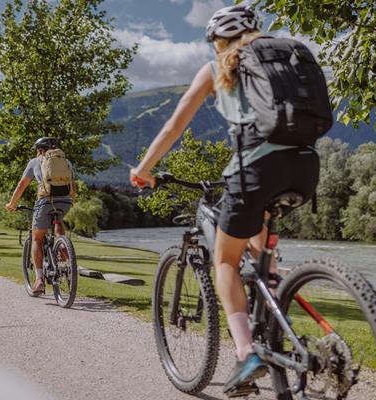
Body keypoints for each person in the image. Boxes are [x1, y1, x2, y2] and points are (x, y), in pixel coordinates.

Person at [129, 5, 320, 396]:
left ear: (219, 39)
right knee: (259, 253)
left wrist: (143, 168)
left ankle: (248, 352)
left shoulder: (218, 67)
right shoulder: (291, 55)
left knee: (225, 262)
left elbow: (172, 127)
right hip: (305, 165)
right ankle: (277, 303)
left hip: (255, 171)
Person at [5, 137, 75, 295]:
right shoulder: (66, 162)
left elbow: (21, 185)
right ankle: (65, 255)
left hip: (45, 201)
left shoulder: (35, 162)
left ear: (40, 149)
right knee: (58, 221)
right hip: (65, 202)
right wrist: (71, 201)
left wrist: (12, 204)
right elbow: (72, 183)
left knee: (36, 238)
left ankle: (39, 280)